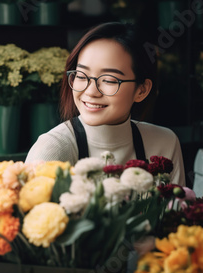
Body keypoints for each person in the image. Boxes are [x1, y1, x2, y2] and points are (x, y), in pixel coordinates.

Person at [25, 22, 186, 186]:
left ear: (142, 90)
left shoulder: (164, 143)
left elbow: (176, 210)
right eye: (81, 75)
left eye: (109, 80)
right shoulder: (53, 149)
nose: (91, 91)